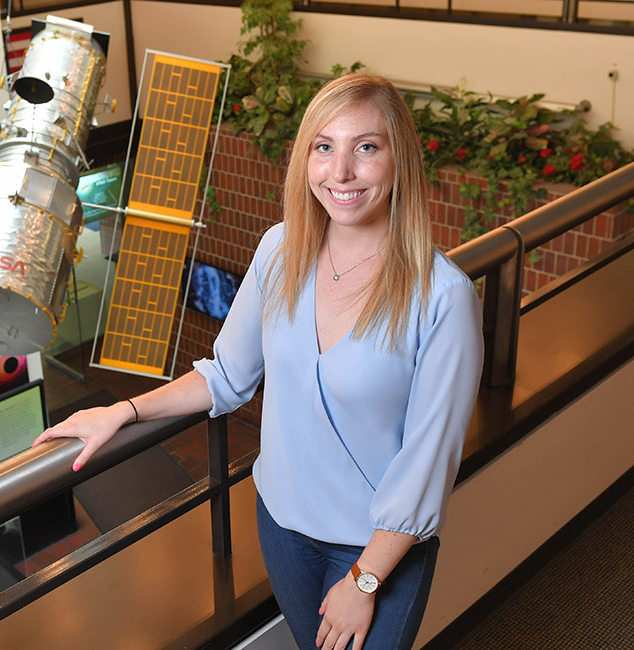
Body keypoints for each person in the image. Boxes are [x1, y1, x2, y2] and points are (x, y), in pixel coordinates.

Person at [33, 73, 484, 650]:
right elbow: (226, 375)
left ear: (401, 161)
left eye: (365, 147)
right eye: (324, 147)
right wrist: (123, 409)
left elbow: (429, 464)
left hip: (376, 550)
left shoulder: (442, 297)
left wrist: (364, 580)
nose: (340, 171)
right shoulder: (279, 250)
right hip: (283, 528)